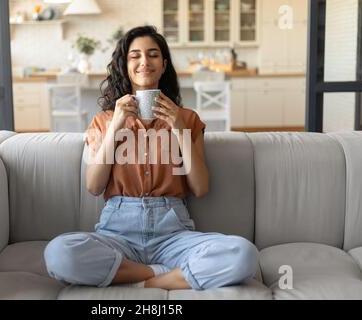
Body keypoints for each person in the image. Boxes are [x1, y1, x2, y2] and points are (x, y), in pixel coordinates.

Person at [44, 26, 259, 290]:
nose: (144, 62)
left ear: (164, 64)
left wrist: (178, 127)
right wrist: (116, 125)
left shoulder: (188, 119)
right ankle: (162, 274)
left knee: (243, 254)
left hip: (174, 234)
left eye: (153, 54)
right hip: (117, 233)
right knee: (59, 253)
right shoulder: (104, 121)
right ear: (125, 65)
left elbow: (200, 188)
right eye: (135, 56)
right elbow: (94, 185)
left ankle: (140, 281)